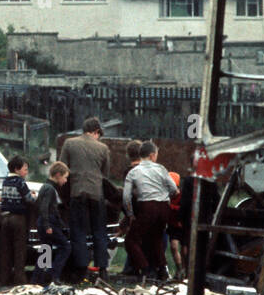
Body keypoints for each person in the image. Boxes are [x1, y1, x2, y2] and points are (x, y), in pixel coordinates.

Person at [58, 117, 113, 283]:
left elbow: (61, 168)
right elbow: (105, 174)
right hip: (97, 194)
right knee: (99, 232)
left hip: (77, 192)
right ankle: (103, 270)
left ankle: (81, 270)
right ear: (96, 132)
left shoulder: (69, 143)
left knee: (79, 232)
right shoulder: (103, 148)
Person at [123, 141, 179, 281]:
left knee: (131, 240)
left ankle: (144, 268)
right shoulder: (161, 168)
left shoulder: (134, 172)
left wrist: (130, 214)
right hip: (164, 207)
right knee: (157, 238)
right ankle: (163, 270)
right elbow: (174, 189)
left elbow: (126, 197)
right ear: (152, 155)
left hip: (147, 207)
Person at [0, 155, 32, 287]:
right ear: (17, 169)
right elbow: (29, 199)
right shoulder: (20, 182)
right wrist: (33, 196)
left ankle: (4, 279)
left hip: (5, 219)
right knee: (19, 250)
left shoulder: (5, 181)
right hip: (18, 219)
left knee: (5, 250)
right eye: (25, 169)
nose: (26, 172)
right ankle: (20, 280)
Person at [33, 161, 70, 286]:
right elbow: (44, 207)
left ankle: (38, 278)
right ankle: (53, 274)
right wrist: (48, 225)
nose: (65, 181)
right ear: (58, 175)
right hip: (49, 222)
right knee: (65, 247)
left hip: (42, 222)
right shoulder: (50, 189)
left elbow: (38, 205)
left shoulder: (45, 186)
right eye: (65, 177)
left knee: (46, 249)